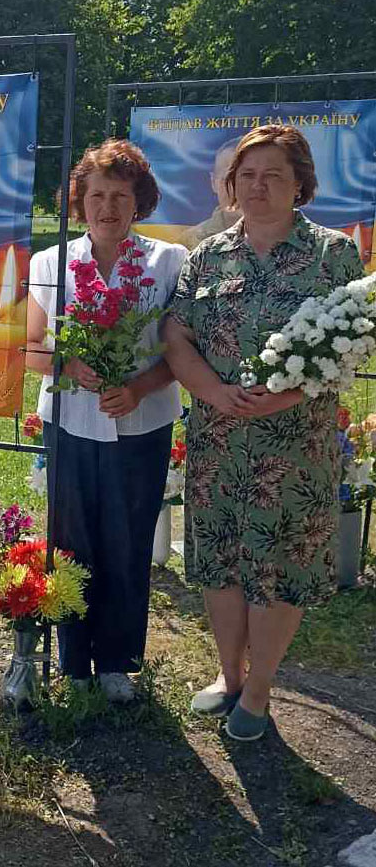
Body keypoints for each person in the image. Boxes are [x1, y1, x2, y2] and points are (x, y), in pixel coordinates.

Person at [163, 124, 363, 741]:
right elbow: (177, 336)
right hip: (219, 442)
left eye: (274, 175)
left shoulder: (333, 255)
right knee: (221, 562)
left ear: (300, 184)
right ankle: (230, 675)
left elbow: (350, 344)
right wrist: (214, 392)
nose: (258, 186)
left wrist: (286, 395)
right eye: (246, 175)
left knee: (278, 567)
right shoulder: (208, 256)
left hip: (294, 447)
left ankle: (259, 689)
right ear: (231, 185)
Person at [25, 139, 186, 702]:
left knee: (128, 539)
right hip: (70, 422)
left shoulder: (169, 262)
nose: (107, 208)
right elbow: (29, 348)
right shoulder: (50, 263)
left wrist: (138, 388)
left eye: (120, 196)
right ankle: (73, 660)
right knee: (71, 541)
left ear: (139, 200)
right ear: (79, 201)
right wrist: (68, 364)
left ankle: (116, 662)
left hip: (143, 423)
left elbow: (182, 352)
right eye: (96, 195)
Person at [182, 138, 240, 249]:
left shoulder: (276, 238)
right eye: (229, 179)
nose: (238, 188)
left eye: (248, 177)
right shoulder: (190, 242)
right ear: (213, 182)